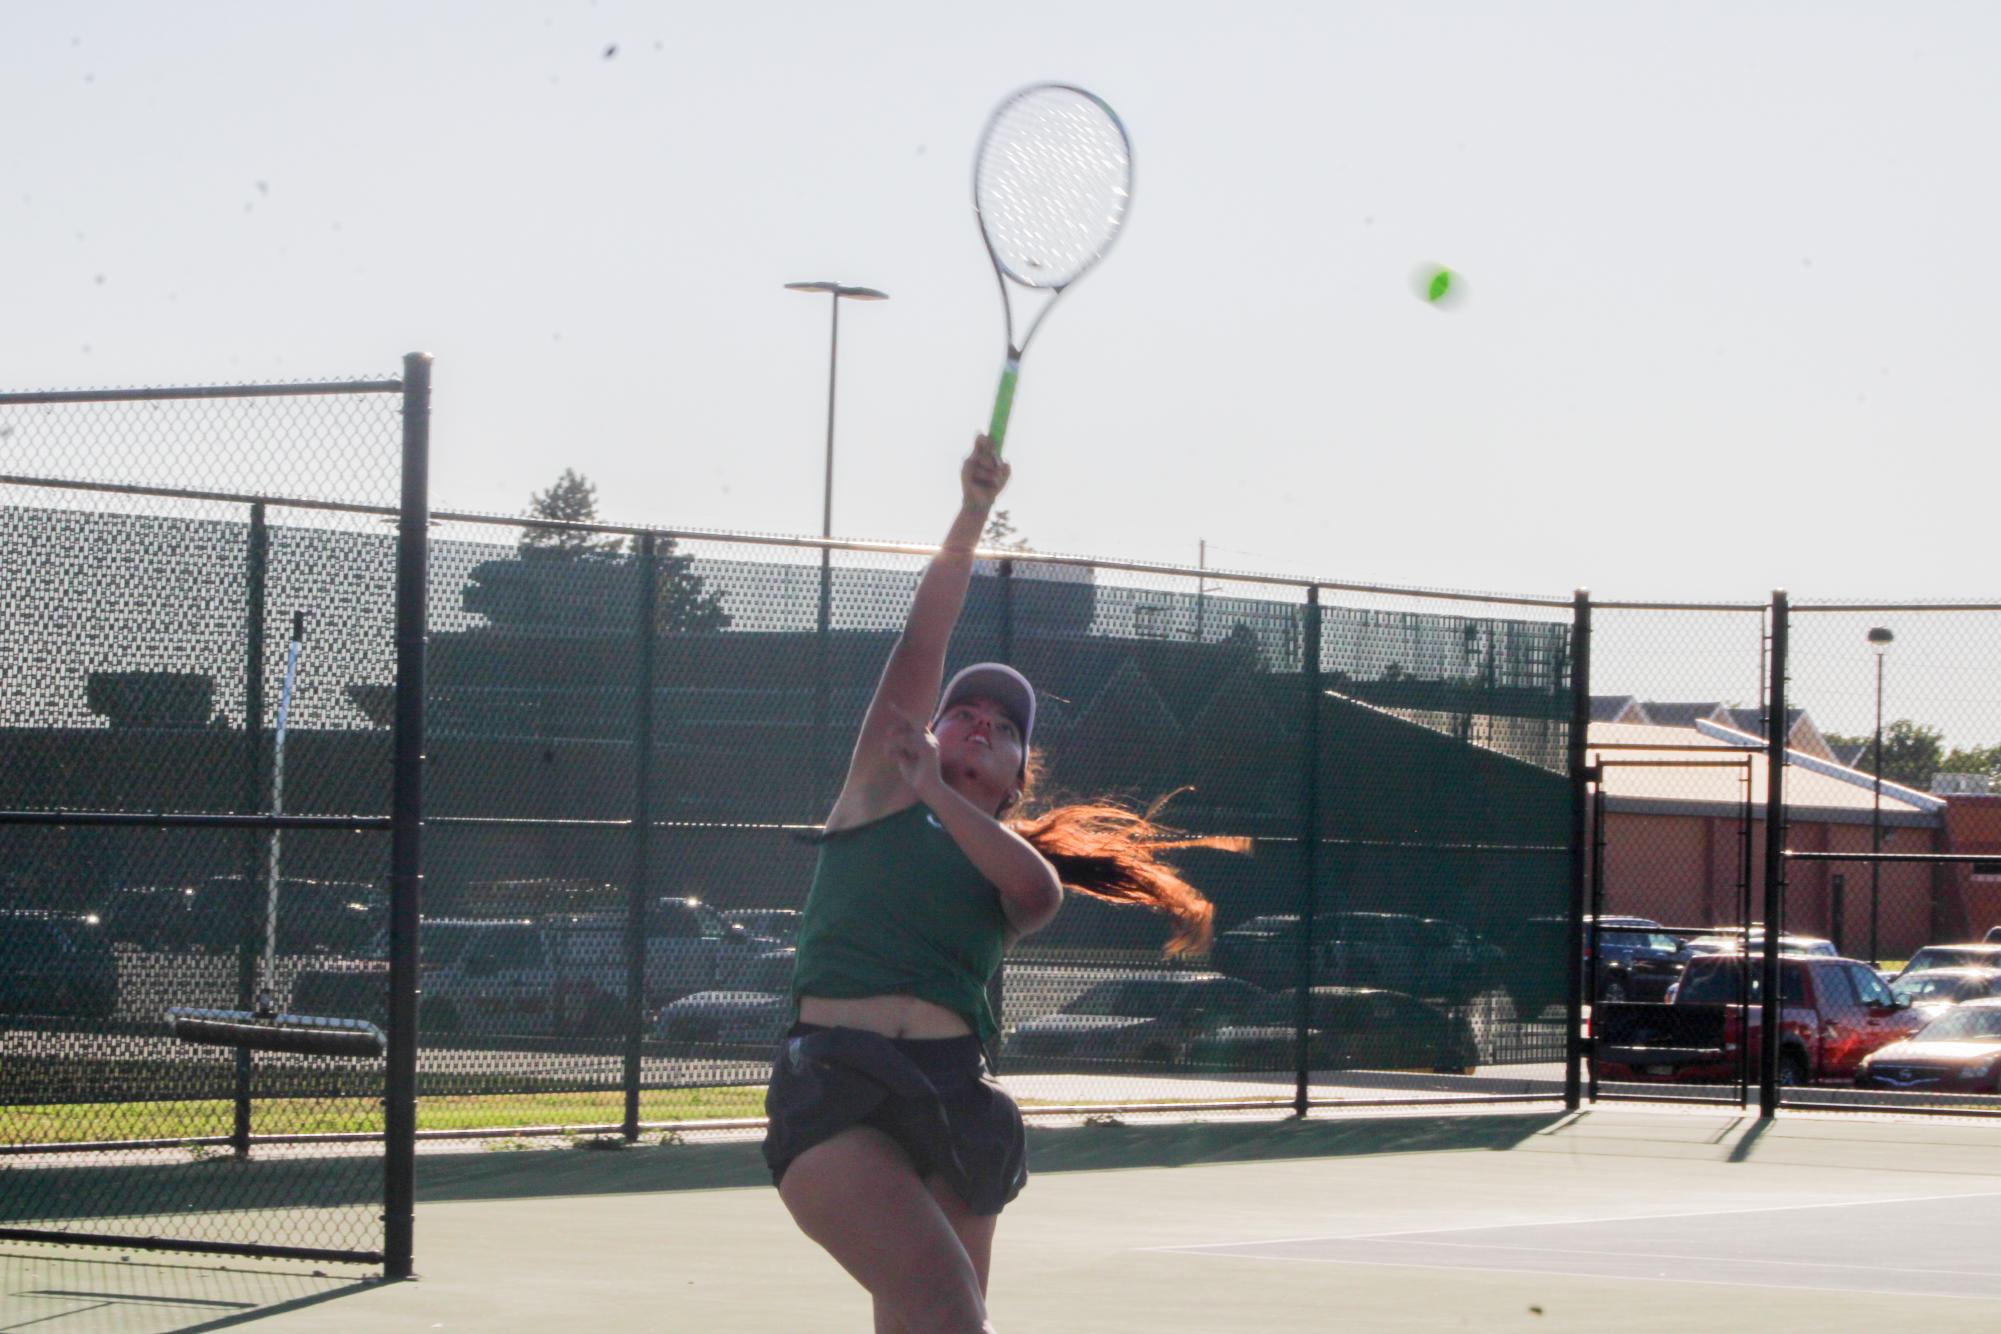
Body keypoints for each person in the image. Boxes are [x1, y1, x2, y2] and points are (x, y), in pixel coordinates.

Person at [763, 436, 1217, 1333]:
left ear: (1016, 776)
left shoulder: (1007, 865)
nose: (978, 722)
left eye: (1001, 727)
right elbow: (924, 637)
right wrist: (971, 513)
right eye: (961, 712)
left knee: (935, 1320)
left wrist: (941, 789)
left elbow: (1039, 893)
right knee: (942, 1306)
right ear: (923, 733)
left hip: (953, 1092)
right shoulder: (879, 792)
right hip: (835, 1082)